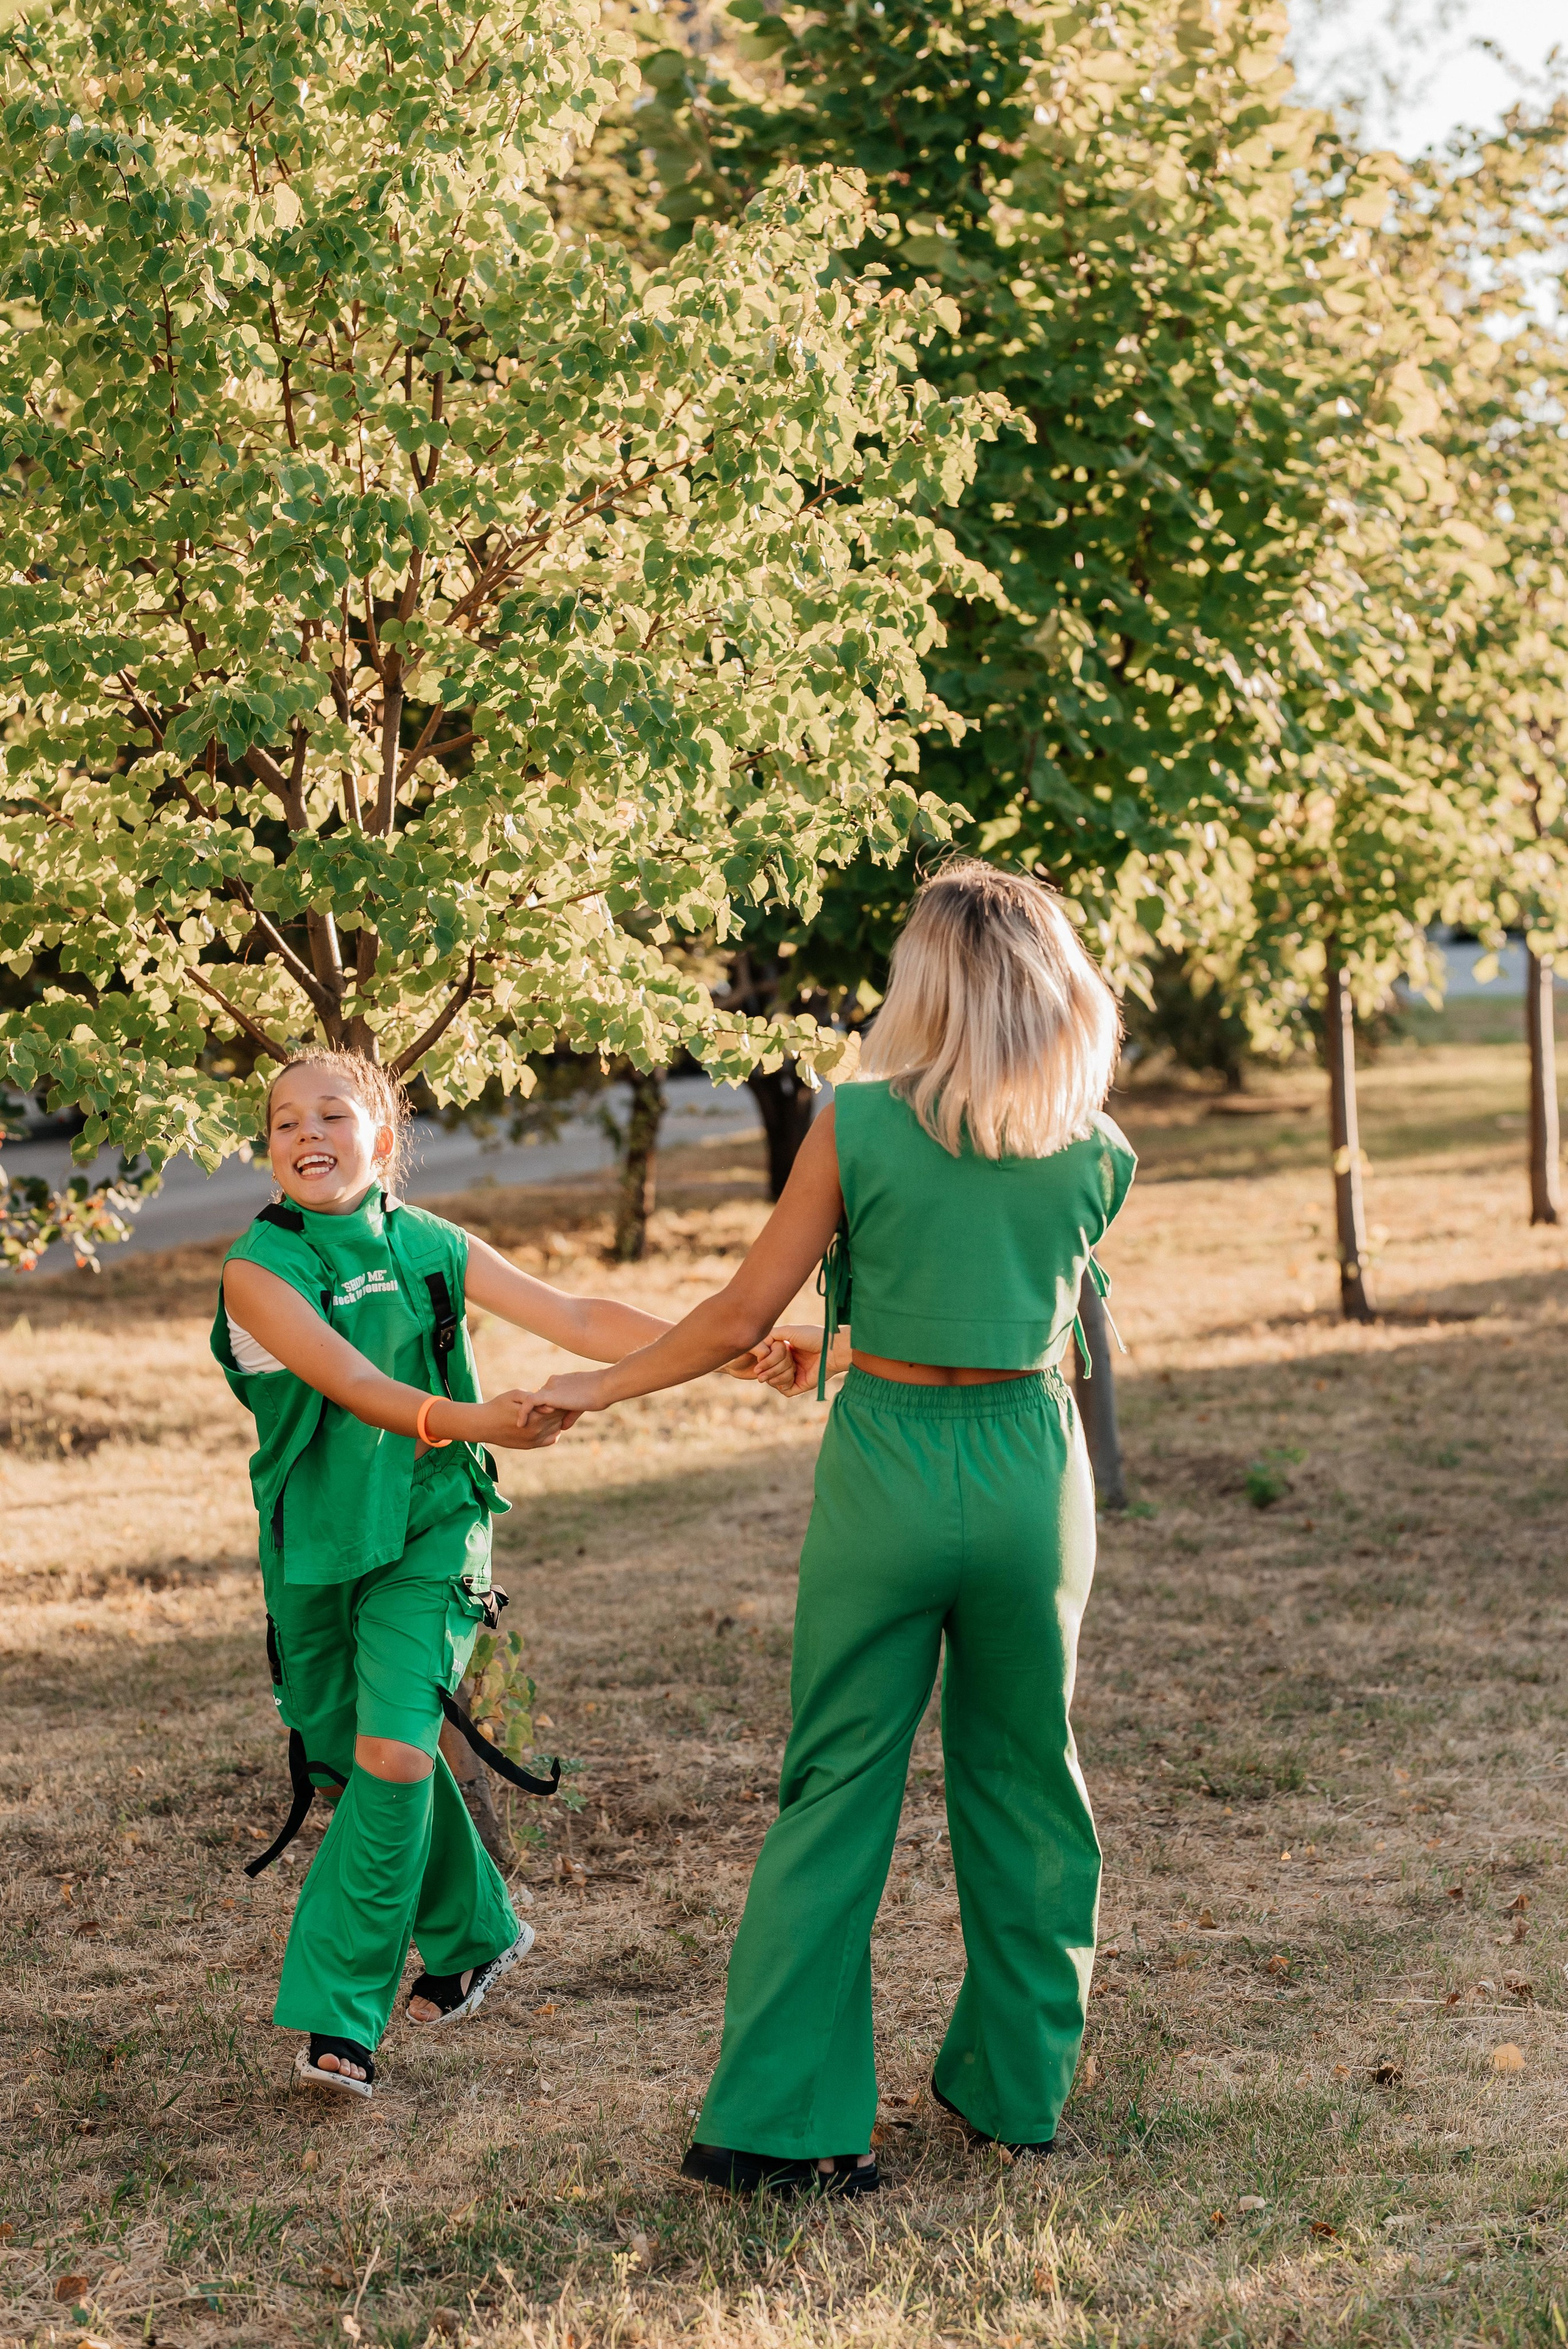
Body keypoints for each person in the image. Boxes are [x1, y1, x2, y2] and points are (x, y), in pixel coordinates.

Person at [537, 861, 1135, 2195]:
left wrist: (597, 1380)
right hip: (1036, 1474)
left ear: (922, 982)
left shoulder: (853, 1123)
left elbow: (739, 1317)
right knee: (1028, 1778)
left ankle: (780, 2126)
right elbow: (1025, 1306)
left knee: (836, 1787)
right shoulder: (1099, 1153)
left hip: (887, 1470)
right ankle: (1012, 2095)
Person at [214, 1047, 786, 2100]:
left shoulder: (429, 1243)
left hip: (433, 1528)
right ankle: (477, 1931)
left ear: (381, 1141)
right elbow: (349, 1380)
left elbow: (571, 1317)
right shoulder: (257, 1268)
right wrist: (485, 1418)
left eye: (332, 1115)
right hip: (316, 1546)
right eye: (285, 1120)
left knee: (391, 1754)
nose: (306, 1134)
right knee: (352, 1754)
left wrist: (726, 1344)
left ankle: (339, 2018)